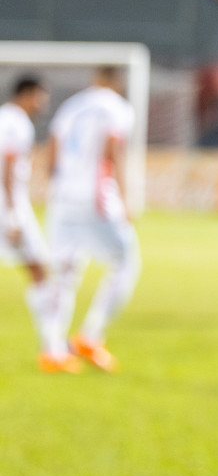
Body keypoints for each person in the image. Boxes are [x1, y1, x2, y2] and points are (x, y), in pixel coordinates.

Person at [40, 66, 138, 373]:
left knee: (63, 272)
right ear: (117, 82)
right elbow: (113, 151)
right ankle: (90, 336)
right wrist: (125, 198)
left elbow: (51, 154)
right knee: (125, 262)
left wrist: (58, 187)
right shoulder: (116, 107)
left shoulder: (71, 105)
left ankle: (53, 351)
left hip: (62, 199)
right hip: (95, 200)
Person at [0, 76, 65, 371]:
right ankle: (52, 349)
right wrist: (13, 215)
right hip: (9, 207)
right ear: (27, 94)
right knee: (40, 269)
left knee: (39, 269)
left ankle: (53, 346)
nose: (43, 103)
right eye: (41, 96)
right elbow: (8, 166)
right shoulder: (17, 123)